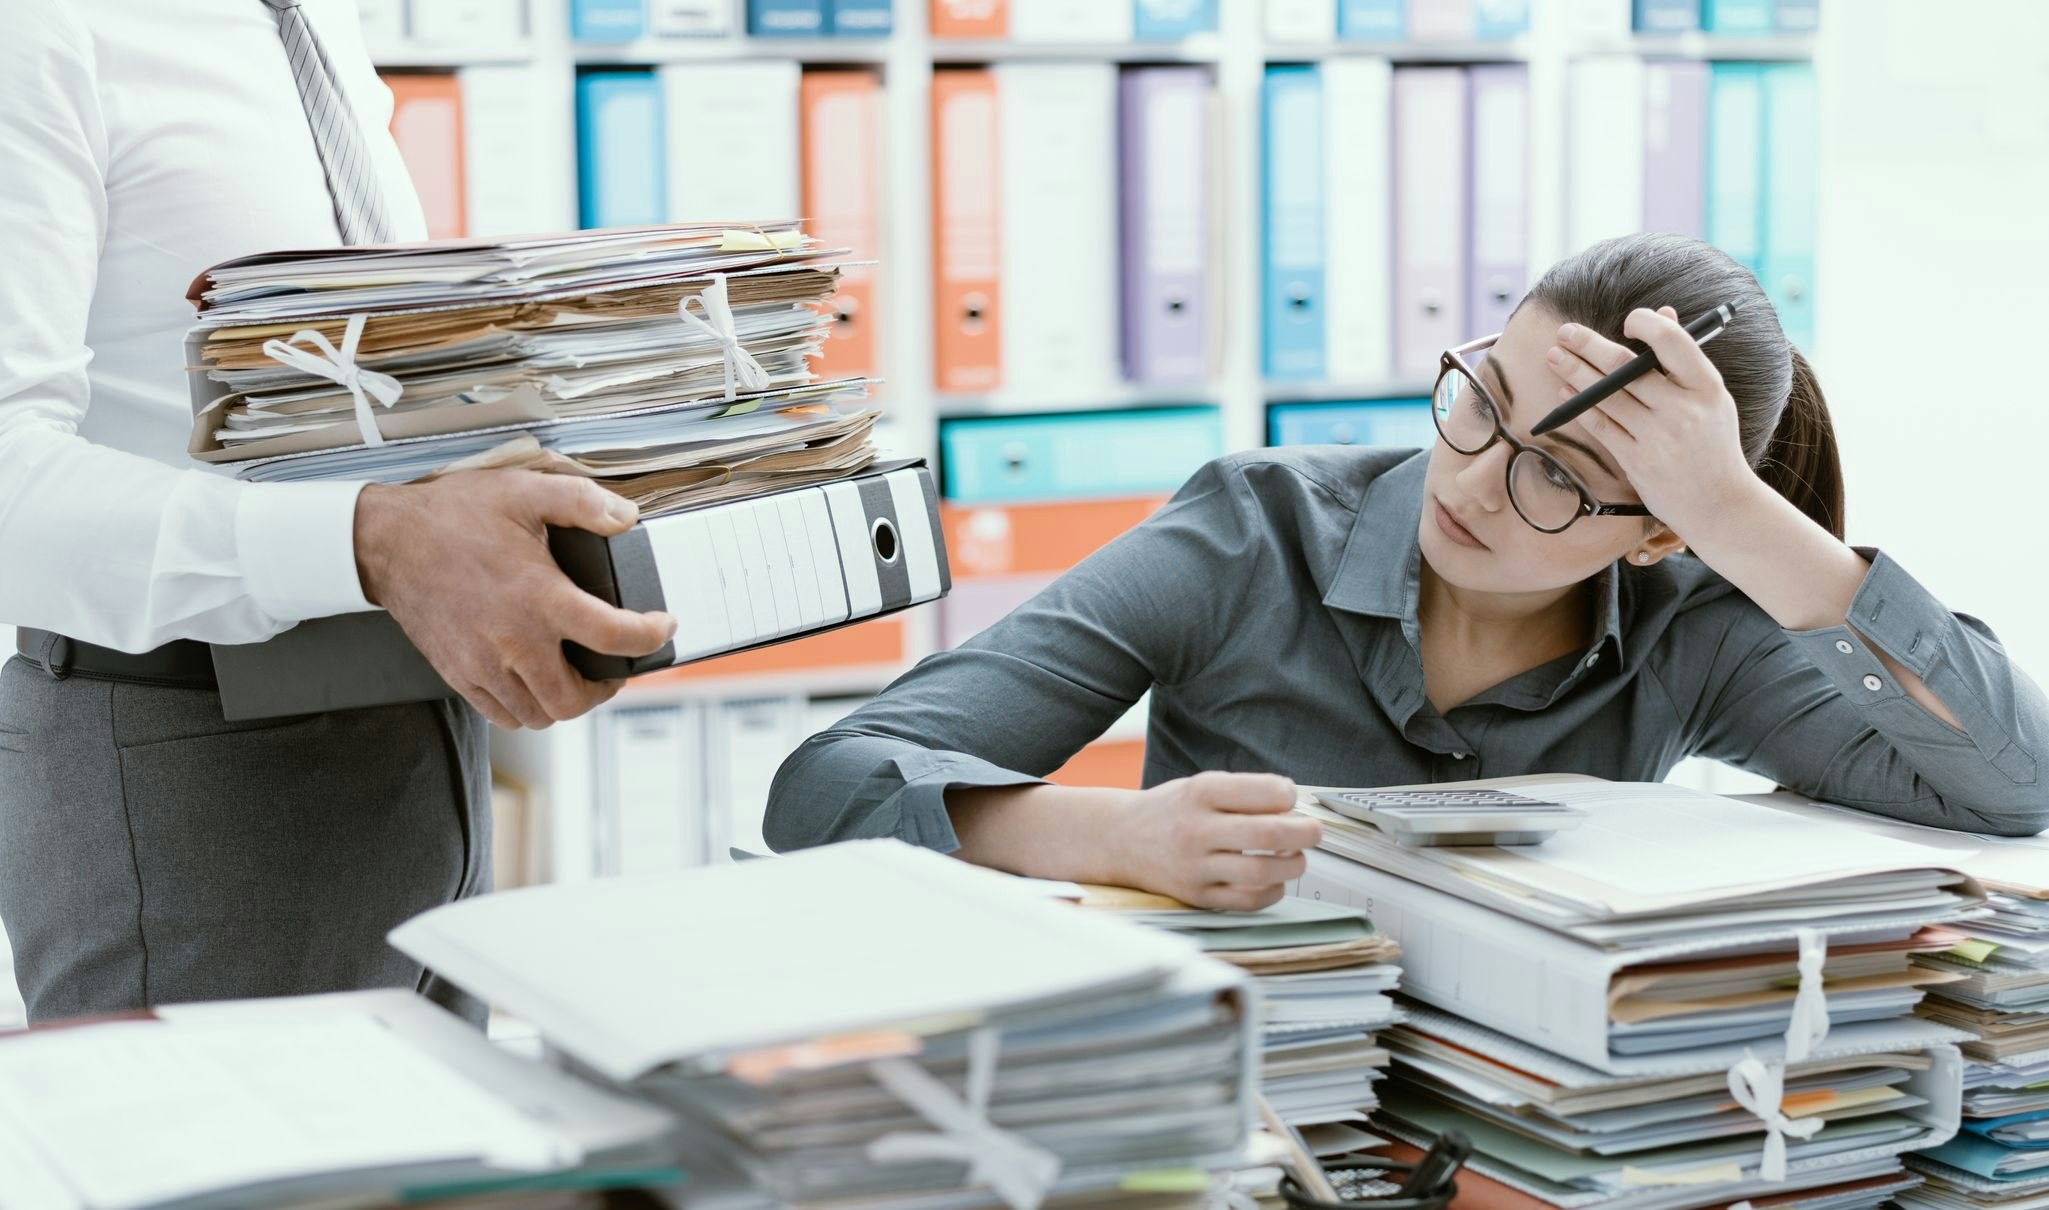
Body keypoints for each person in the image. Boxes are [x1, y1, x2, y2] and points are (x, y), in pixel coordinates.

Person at [763, 233, 2049, 908]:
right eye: (1481, 397)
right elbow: (822, 788)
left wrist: (1736, 514)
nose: (1476, 478)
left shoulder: (1693, 611)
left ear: (1660, 532)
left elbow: (2013, 790)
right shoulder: (1250, 532)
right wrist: (1115, 835)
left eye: (1560, 473)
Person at [0, 0, 675, 1023]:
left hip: (416, 745)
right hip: (190, 760)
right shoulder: (42, 31)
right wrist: (373, 540)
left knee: (429, 1171)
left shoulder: (308, 22)